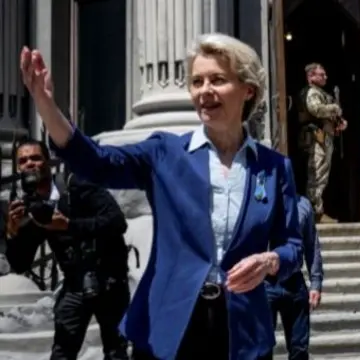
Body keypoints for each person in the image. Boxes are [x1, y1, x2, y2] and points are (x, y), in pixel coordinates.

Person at [20, 32, 303, 360]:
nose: (204, 90)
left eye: (217, 79)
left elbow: (292, 246)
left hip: (242, 333)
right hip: (168, 326)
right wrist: (46, 104)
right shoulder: (165, 153)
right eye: (197, 81)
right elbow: (96, 162)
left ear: (247, 90)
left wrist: (271, 261)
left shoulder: (275, 167)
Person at [2, 139, 130, 360]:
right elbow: (20, 263)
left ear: (48, 162)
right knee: (62, 352)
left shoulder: (77, 185)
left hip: (109, 279)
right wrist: (13, 232)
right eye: (23, 161)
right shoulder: (32, 207)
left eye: (35, 157)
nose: (30, 164)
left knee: (116, 351)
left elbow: (117, 222)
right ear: (18, 168)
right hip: (75, 284)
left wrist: (69, 225)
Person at [266, 195, 323, 360]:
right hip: (265, 284)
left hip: (294, 282)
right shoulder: (260, 202)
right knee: (262, 350)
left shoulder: (304, 205)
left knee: (299, 349)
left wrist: (316, 283)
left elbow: (312, 246)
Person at [297, 63, 347, 223]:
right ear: (311, 76)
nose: (325, 77)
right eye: (321, 74)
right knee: (317, 174)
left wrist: (339, 122)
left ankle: (316, 211)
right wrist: (334, 108)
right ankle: (314, 213)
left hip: (325, 137)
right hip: (316, 139)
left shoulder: (322, 93)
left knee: (322, 174)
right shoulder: (312, 92)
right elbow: (315, 110)